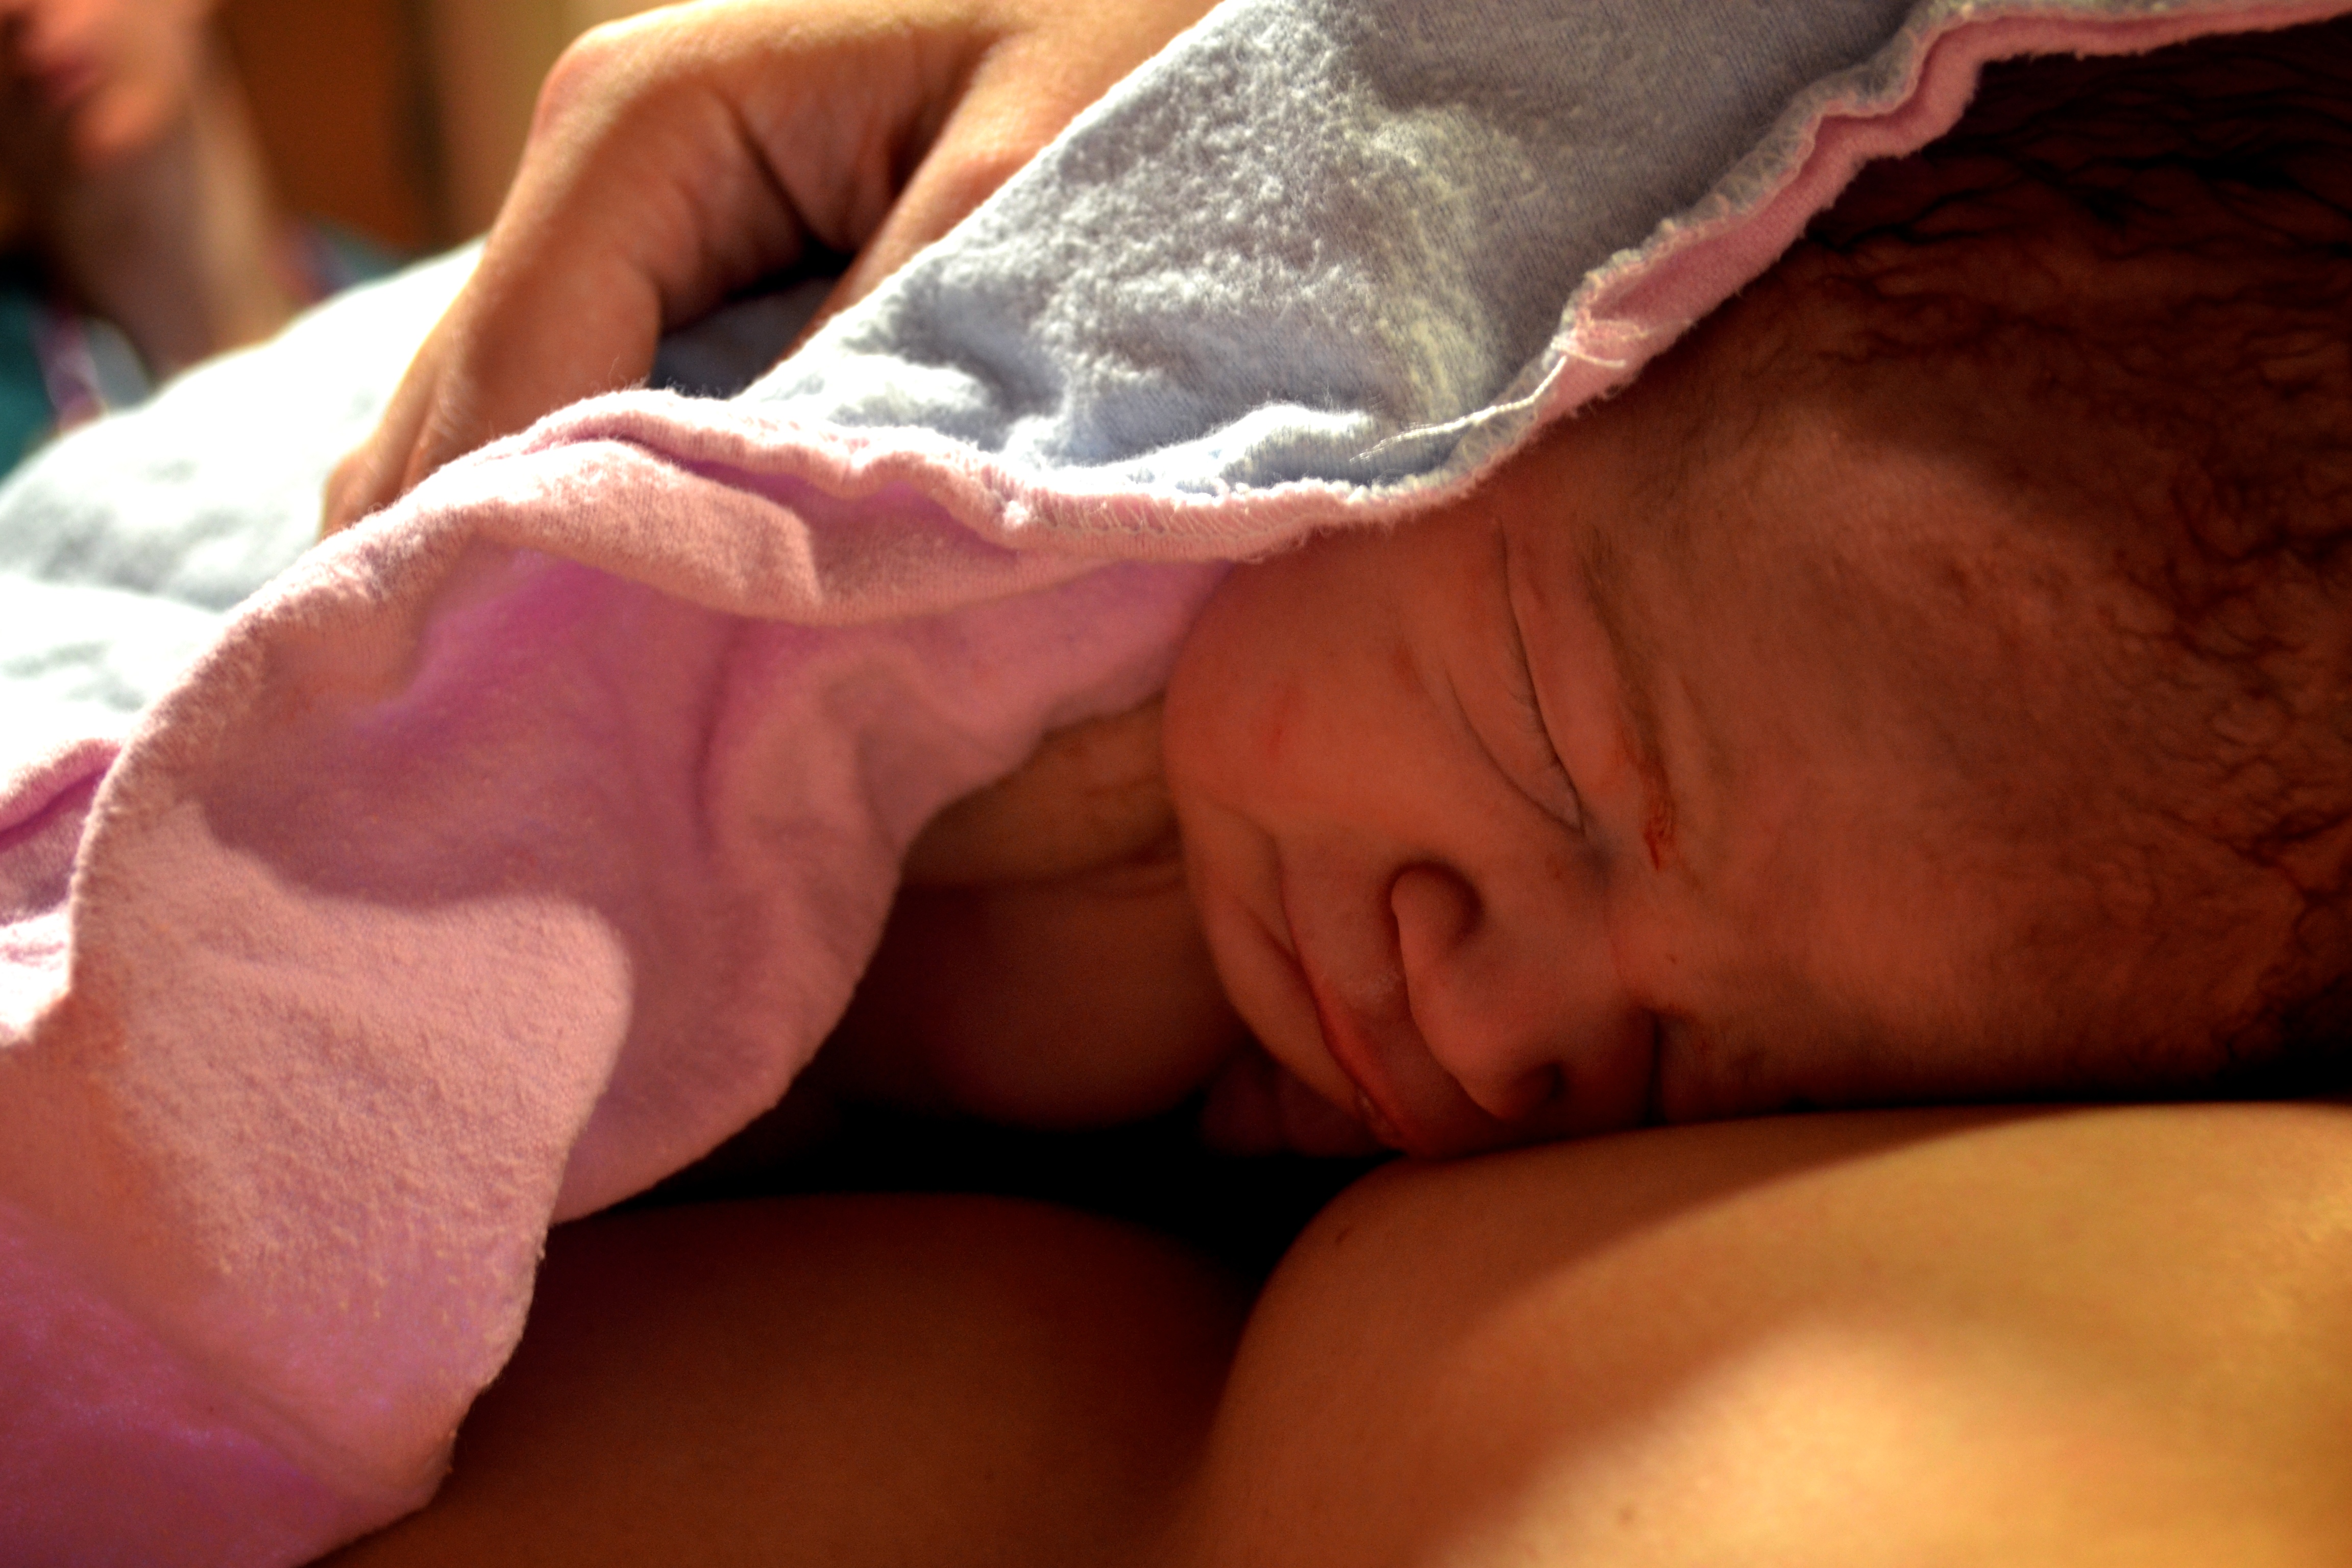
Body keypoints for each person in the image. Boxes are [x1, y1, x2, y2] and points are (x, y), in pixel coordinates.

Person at [313, 3, 2352, 1561]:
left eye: (1713, 1076)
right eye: (1553, 752)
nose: (1505, 1038)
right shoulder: (1032, 612)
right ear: (1513, 354)